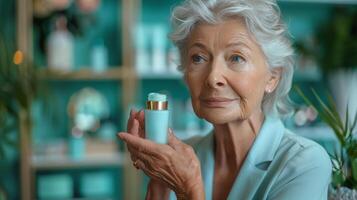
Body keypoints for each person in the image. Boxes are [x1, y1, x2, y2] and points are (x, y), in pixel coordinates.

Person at [117, 0, 332, 199]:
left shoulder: (305, 163)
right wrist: (158, 179)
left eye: (236, 58)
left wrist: (188, 188)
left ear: (273, 77)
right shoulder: (181, 159)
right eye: (198, 58)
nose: (213, 78)